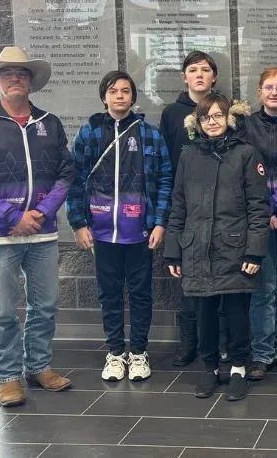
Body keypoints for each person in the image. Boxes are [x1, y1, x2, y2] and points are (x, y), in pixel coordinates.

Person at [0, 47, 75, 407]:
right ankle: (8, 376)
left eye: (20, 74)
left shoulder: (49, 124)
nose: (14, 79)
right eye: (7, 74)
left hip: (42, 234)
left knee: (46, 305)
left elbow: (66, 173)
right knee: (3, 309)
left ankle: (38, 366)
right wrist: (13, 218)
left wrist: (39, 213)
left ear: (30, 82)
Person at [67, 71, 172, 383]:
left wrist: (159, 222)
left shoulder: (149, 134)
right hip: (101, 230)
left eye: (126, 91)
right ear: (104, 97)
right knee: (109, 293)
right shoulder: (88, 133)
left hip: (139, 230)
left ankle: (138, 352)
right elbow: (74, 179)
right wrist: (78, 223)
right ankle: (115, 352)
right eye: (114, 91)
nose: (120, 96)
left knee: (140, 293)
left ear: (133, 97)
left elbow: (165, 178)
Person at [164, 93, 270, 401]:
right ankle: (209, 367)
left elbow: (258, 208)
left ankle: (238, 366)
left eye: (218, 116)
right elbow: (178, 203)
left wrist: (254, 251)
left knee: (237, 312)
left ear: (229, 119)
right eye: (206, 117)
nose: (212, 122)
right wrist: (174, 249)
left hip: (234, 247)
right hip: (196, 247)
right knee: (204, 313)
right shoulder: (188, 155)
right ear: (197, 122)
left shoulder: (246, 154)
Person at [159, 50, 218, 367]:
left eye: (205, 70)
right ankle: (188, 343)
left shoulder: (224, 109)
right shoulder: (171, 114)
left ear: (214, 77)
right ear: (184, 77)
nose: (199, 75)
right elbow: (165, 161)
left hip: (221, 208)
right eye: (193, 70)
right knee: (187, 279)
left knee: (220, 277)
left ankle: (218, 343)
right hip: (185, 207)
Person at [241, 67, 277, 380]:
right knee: (262, 289)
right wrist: (265, 212)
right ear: (260, 92)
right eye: (268, 87)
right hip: (257, 220)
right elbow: (245, 175)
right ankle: (261, 352)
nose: (274, 92)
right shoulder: (246, 127)